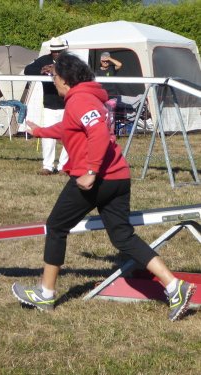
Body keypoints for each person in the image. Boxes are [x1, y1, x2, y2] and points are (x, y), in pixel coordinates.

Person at [12, 52, 196, 322]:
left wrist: (90, 171)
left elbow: (97, 134)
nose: (54, 82)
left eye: (54, 77)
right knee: (123, 237)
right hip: (118, 177)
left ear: (64, 79)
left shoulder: (80, 100)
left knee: (56, 227)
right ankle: (174, 286)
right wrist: (41, 131)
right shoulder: (88, 98)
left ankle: (46, 293)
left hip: (98, 180)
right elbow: (70, 127)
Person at [24, 37, 69, 175]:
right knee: (48, 136)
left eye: (59, 51)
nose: (57, 53)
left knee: (68, 135)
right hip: (50, 104)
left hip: (68, 104)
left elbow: (78, 74)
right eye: (54, 51)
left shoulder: (71, 61)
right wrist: (42, 70)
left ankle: (64, 166)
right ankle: (48, 166)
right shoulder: (44, 60)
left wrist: (56, 69)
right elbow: (28, 70)